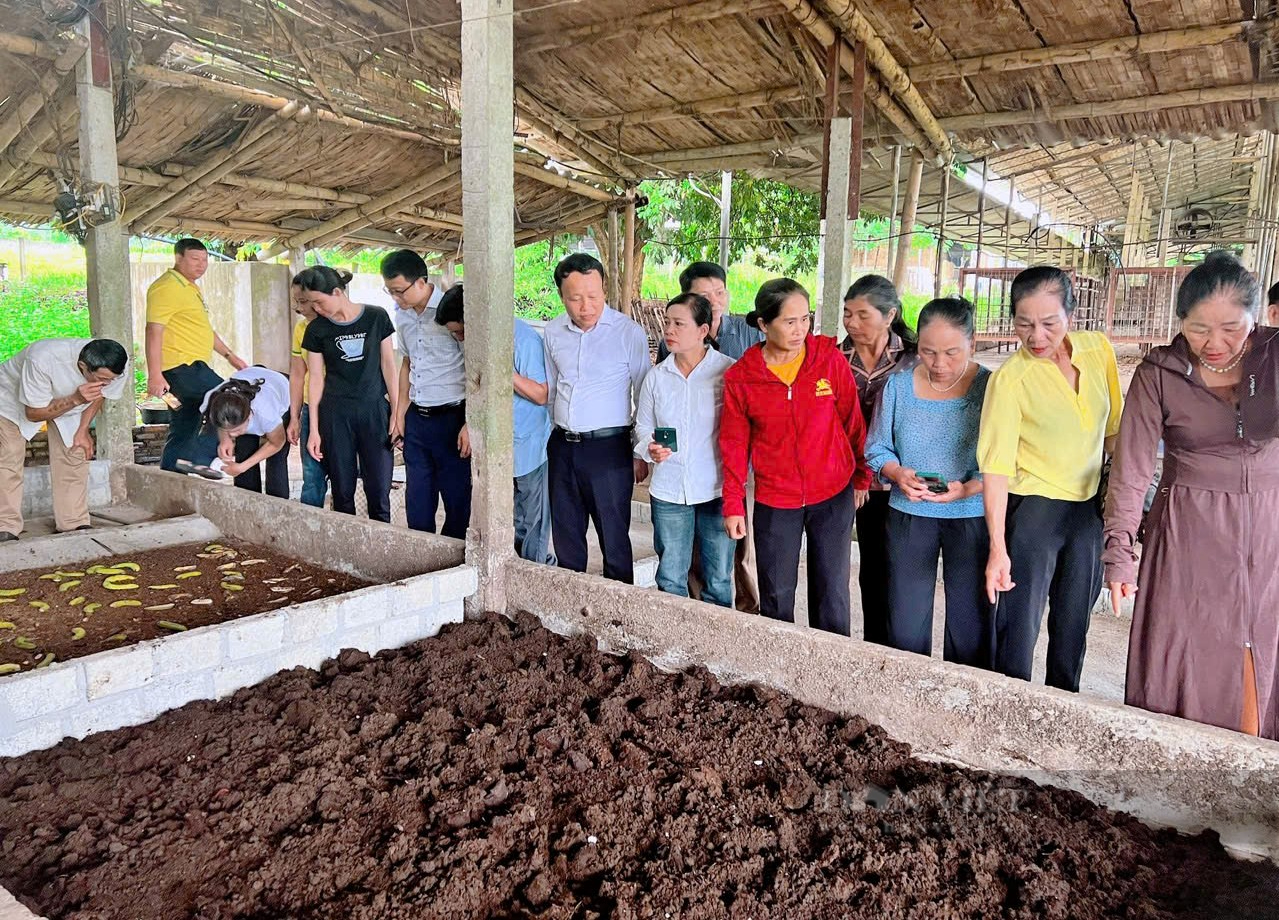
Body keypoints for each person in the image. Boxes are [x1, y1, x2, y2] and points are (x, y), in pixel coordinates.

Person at [1104, 252, 1279, 740]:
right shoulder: (1159, 373)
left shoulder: (1274, 358)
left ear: (1258, 318)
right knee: (1185, 650)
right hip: (1187, 529)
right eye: (1200, 328)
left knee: (1260, 651)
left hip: (1270, 527)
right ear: (1180, 322)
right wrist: (1120, 553)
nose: (1216, 343)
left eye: (1231, 328)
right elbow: (1132, 470)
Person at [979, 266, 1123, 692]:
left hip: (1087, 510)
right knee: (1019, 623)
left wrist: (1118, 510)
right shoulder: (1011, 380)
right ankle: (1011, 702)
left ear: (1072, 316)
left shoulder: (1098, 351)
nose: (1036, 336)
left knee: (1074, 621)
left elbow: (1113, 431)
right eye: (1024, 323)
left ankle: (1064, 703)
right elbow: (996, 469)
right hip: (1033, 512)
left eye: (1049, 323)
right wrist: (998, 548)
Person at [720, 279, 871, 633]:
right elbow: (733, 444)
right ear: (763, 324)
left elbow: (852, 421)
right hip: (776, 500)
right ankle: (779, 673)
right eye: (790, 322)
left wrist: (861, 477)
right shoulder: (742, 378)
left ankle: (831, 667)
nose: (800, 329)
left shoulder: (827, 360)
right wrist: (733, 504)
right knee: (776, 593)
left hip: (833, 494)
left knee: (832, 592)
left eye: (806, 319)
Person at [865, 298, 991, 667]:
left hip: (971, 516)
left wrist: (969, 487)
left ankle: (964, 699)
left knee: (970, 621)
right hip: (909, 513)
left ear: (973, 341)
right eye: (928, 351)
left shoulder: (991, 388)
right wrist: (897, 473)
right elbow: (877, 447)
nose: (938, 363)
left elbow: (1008, 459)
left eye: (951, 352)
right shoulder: (898, 387)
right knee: (904, 618)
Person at [658, 261, 763, 613]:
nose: (716, 301)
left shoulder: (747, 334)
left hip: (734, 465)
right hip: (690, 468)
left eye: (720, 292)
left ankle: (746, 614)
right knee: (697, 554)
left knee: (740, 549)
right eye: (705, 295)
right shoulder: (670, 344)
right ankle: (698, 612)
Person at [543, 253, 649, 583]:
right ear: (562, 297)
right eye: (575, 299)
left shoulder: (628, 332)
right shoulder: (553, 332)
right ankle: (571, 612)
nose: (585, 306)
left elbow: (644, 394)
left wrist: (639, 451)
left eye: (593, 296)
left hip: (609, 450)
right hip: (562, 446)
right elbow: (550, 390)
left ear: (604, 289)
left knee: (614, 539)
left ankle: (619, 614)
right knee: (566, 535)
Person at [434, 283, 555, 565]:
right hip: (496, 445)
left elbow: (541, 394)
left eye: (461, 332)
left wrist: (502, 369)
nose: (459, 339)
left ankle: (534, 574)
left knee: (531, 521)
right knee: (503, 517)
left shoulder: (522, 339)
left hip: (528, 445)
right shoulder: (476, 344)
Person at [635, 293, 736, 605]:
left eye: (679, 323)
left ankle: (715, 647)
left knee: (718, 578)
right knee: (669, 576)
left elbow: (740, 431)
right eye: (667, 322)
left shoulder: (728, 372)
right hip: (669, 489)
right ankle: (671, 647)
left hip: (717, 488)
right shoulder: (656, 378)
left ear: (703, 330)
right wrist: (648, 448)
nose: (669, 330)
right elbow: (642, 426)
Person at [840, 274, 918, 646]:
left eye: (862, 315)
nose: (852, 323)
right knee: (870, 568)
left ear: (890, 316)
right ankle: (875, 647)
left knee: (901, 570)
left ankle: (902, 648)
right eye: (847, 314)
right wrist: (859, 475)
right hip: (858, 482)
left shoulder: (914, 359)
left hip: (903, 480)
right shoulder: (838, 359)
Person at [297, 267, 398, 523]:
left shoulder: (376, 317)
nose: (317, 309)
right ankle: (347, 549)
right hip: (335, 415)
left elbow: (389, 365)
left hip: (374, 412)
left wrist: (397, 413)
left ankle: (382, 547)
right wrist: (315, 429)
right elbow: (316, 379)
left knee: (379, 490)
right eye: (312, 304)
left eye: (319, 302)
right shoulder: (316, 329)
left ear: (337, 292)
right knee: (342, 491)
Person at [0, 338, 128, 540]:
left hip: (73, 403)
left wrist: (83, 429)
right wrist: (75, 399)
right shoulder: (42, 359)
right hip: (12, 401)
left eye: (111, 379)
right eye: (101, 378)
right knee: (7, 459)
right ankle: (5, 526)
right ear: (83, 367)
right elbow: (33, 413)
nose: (107, 383)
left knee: (76, 451)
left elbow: (101, 394)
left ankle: (73, 522)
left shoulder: (117, 363)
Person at [382, 250, 470, 538]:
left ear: (421, 281)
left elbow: (474, 368)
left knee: (458, 500)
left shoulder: (451, 310)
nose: (396, 298)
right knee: (418, 498)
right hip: (417, 417)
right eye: (391, 292)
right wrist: (399, 414)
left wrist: (471, 422)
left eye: (399, 291)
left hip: (453, 418)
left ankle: (452, 565)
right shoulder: (403, 316)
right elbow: (407, 363)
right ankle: (421, 560)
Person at [144, 239, 246, 471]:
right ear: (178, 258)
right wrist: (154, 374)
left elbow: (203, 329)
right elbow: (153, 330)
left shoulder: (190, 287)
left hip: (189, 366)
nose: (201, 265)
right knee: (228, 398)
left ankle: (170, 476)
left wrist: (230, 356)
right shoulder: (167, 287)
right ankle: (200, 460)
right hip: (181, 367)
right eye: (194, 259)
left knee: (184, 423)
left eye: (205, 260)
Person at [195, 368, 292, 498]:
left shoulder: (265, 412)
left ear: (250, 416)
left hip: (283, 387)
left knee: (276, 459)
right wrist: (225, 439)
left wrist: (242, 467)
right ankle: (247, 500)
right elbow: (223, 422)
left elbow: (277, 443)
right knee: (244, 451)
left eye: (236, 430)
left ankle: (278, 504)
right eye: (229, 431)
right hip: (251, 377)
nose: (233, 435)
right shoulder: (212, 401)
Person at [287, 283, 330, 508]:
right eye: (297, 301)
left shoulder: (339, 326)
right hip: (308, 406)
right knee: (312, 477)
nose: (299, 307)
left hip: (338, 408)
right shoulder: (301, 328)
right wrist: (295, 416)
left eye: (303, 301)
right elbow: (297, 373)